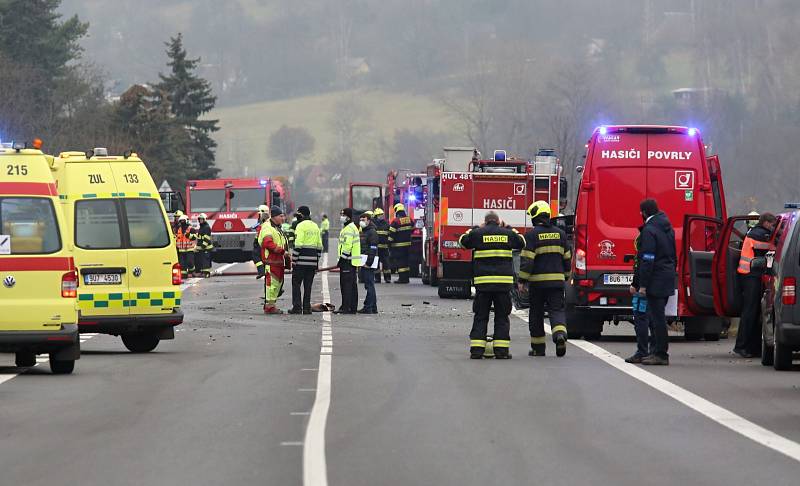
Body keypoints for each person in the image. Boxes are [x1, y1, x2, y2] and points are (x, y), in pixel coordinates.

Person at [459, 211, 525, 359]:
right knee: (502, 316)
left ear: (486, 221)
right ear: (498, 221)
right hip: (503, 285)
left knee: (481, 316)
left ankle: (477, 351)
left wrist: (475, 228)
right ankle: (501, 352)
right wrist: (509, 227)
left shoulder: (478, 233)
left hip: (483, 284)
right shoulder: (507, 233)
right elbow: (522, 242)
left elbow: (462, 241)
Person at [519, 201, 571, 357]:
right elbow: (567, 258)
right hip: (556, 282)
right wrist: (566, 276)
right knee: (557, 310)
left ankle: (538, 348)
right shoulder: (561, 234)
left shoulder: (531, 235)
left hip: (537, 283)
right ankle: (559, 335)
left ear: (535, 217)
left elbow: (527, 261)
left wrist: (522, 280)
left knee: (536, 313)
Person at [636, 199, 677, 366]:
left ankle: (660, 353)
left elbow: (648, 259)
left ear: (644, 212)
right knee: (658, 317)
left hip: (656, 279)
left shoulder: (650, 230)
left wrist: (643, 284)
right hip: (667, 276)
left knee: (657, 318)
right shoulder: (667, 227)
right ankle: (655, 351)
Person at [734, 212, 777, 358]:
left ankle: (752, 347)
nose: (773, 228)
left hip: (750, 275)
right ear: (765, 223)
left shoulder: (755, 232)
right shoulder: (760, 234)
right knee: (750, 312)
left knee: (754, 312)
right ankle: (742, 347)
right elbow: (770, 248)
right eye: (772, 225)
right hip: (750, 275)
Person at [626, 225, 655, 363]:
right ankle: (655, 351)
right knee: (654, 319)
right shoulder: (664, 233)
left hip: (643, 289)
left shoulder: (645, 240)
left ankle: (642, 351)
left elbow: (641, 267)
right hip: (658, 285)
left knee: (640, 317)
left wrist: (636, 285)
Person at [289, 206, 323, 315]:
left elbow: (298, 244)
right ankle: (307, 308)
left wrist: (294, 260)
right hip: (312, 261)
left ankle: (297, 307)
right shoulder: (315, 226)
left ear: (302, 214)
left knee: (296, 283)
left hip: (301, 261)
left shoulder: (300, 226)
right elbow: (319, 246)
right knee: (308, 285)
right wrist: (316, 261)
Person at [259, 206, 290, 314]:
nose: (283, 218)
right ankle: (269, 306)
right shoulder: (268, 227)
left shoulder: (276, 227)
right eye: (281, 216)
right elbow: (267, 243)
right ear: (274, 216)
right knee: (272, 284)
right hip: (272, 261)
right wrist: (282, 251)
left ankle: (271, 305)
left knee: (276, 284)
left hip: (278, 261)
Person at [334, 208, 361, 314]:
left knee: (346, 286)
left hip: (348, 261)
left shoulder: (349, 229)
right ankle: (351, 307)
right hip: (350, 261)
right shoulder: (350, 227)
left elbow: (347, 246)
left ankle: (346, 307)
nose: (341, 217)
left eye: (343, 215)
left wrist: (342, 259)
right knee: (351, 285)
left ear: (348, 216)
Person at [358, 211, 379, 314]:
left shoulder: (372, 232)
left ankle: (368, 307)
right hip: (364, 261)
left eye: (363, 220)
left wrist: (368, 262)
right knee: (369, 284)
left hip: (368, 262)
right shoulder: (365, 231)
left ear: (369, 221)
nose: (361, 222)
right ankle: (373, 307)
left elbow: (373, 248)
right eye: (360, 220)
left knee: (369, 285)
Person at [388, 203, 413, 283]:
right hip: (408, 245)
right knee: (406, 262)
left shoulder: (396, 221)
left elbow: (391, 235)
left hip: (398, 246)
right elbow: (412, 228)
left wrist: (389, 244)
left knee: (401, 263)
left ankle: (402, 279)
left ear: (397, 211)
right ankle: (406, 278)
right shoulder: (409, 219)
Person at [373, 208, 392, 283]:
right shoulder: (373, 224)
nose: (381, 216)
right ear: (376, 216)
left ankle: (387, 278)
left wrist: (389, 243)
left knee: (386, 263)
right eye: (379, 215)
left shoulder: (386, 224)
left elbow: (390, 234)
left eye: (382, 215)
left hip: (384, 247)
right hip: (376, 248)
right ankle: (377, 278)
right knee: (376, 264)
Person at [175, 214, 197, 279]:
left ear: (186, 221)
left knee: (190, 261)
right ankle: (184, 274)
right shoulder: (179, 229)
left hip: (189, 249)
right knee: (182, 264)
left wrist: (189, 235)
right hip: (181, 250)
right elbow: (176, 238)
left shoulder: (191, 229)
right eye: (181, 221)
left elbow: (195, 237)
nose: (182, 222)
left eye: (183, 221)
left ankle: (192, 271)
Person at [252, 205, 270, 279]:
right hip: (263, 241)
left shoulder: (264, 222)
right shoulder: (265, 221)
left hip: (263, 242)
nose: (259, 215)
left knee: (256, 256)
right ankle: (263, 271)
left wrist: (256, 241)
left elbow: (260, 231)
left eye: (260, 213)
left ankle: (262, 271)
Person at [195, 213, 213, 278]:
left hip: (206, 248)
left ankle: (206, 273)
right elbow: (199, 237)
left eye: (202, 219)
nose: (200, 220)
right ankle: (203, 272)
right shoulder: (202, 227)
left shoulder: (206, 227)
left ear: (205, 219)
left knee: (206, 261)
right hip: (202, 248)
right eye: (199, 219)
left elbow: (207, 238)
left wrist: (203, 246)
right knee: (202, 260)